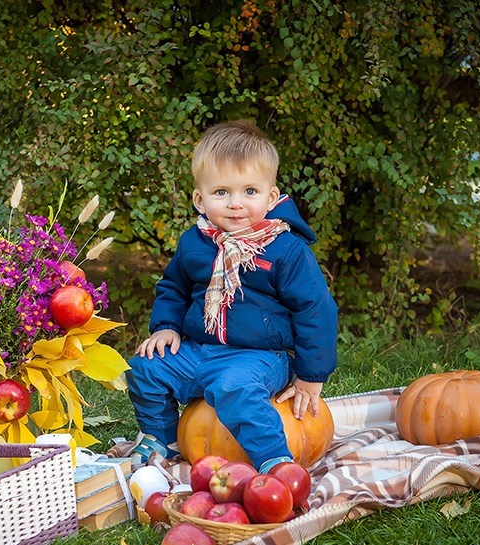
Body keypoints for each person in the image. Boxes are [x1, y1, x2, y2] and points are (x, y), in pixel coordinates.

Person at [120, 120, 338, 473]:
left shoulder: (285, 249)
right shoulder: (195, 242)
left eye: (250, 191)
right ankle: (162, 438)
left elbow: (316, 309)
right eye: (221, 192)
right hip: (200, 349)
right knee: (145, 368)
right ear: (199, 199)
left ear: (271, 197)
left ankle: (274, 463)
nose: (236, 204)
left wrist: (311, 375)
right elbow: (173, 286)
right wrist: (165, 327)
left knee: (234, 387)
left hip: (262, 356)